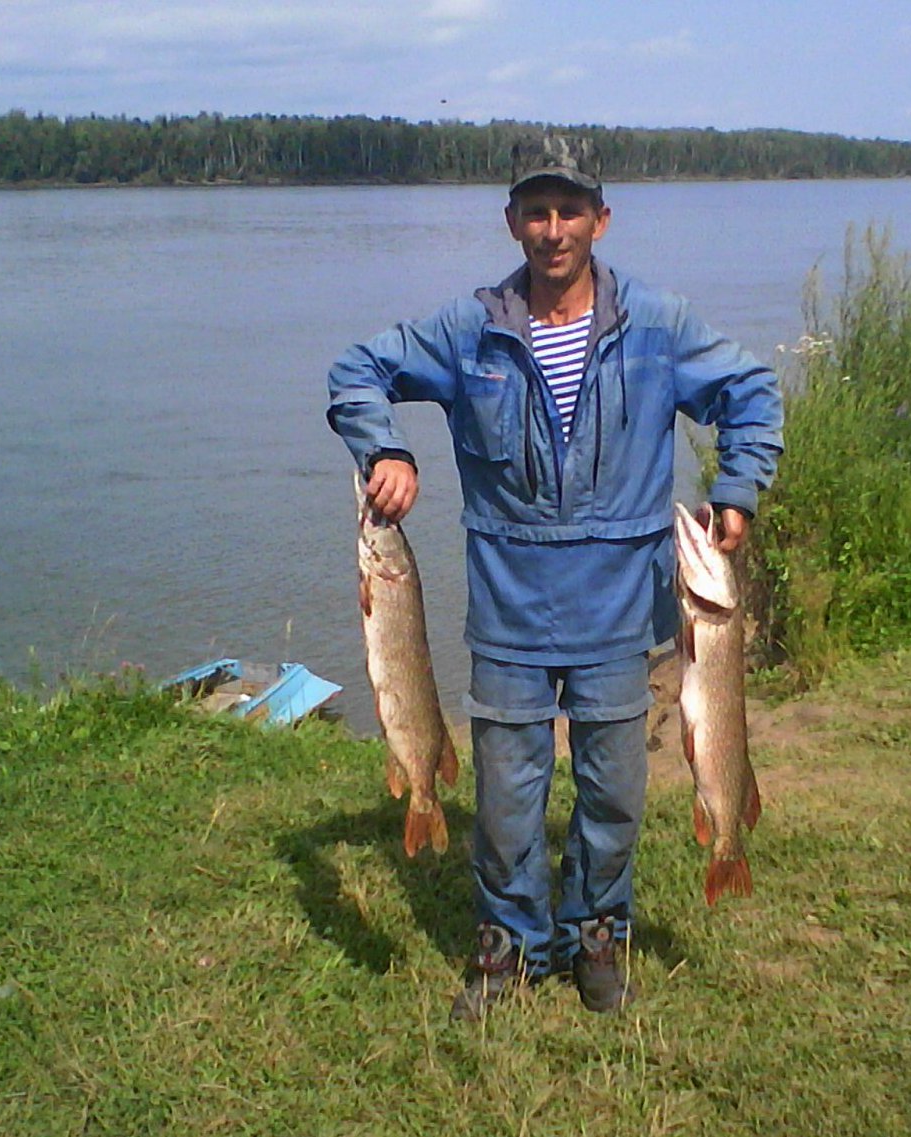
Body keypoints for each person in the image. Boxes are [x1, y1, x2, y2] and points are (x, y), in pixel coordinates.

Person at [325, 132, 783, 1019]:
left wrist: (736, 489)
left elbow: (751, 392)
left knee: (613, 793)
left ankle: (596, 934)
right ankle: (508, 945)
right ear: (511, 222)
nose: (552, 228)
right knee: (505, 798)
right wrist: (385, 448)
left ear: (599, 220)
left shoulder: (657, 325)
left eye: (569, 210)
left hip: (620, 608)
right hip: (509, 609)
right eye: (535, 211)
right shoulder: (469, 330)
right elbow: (357, 371)